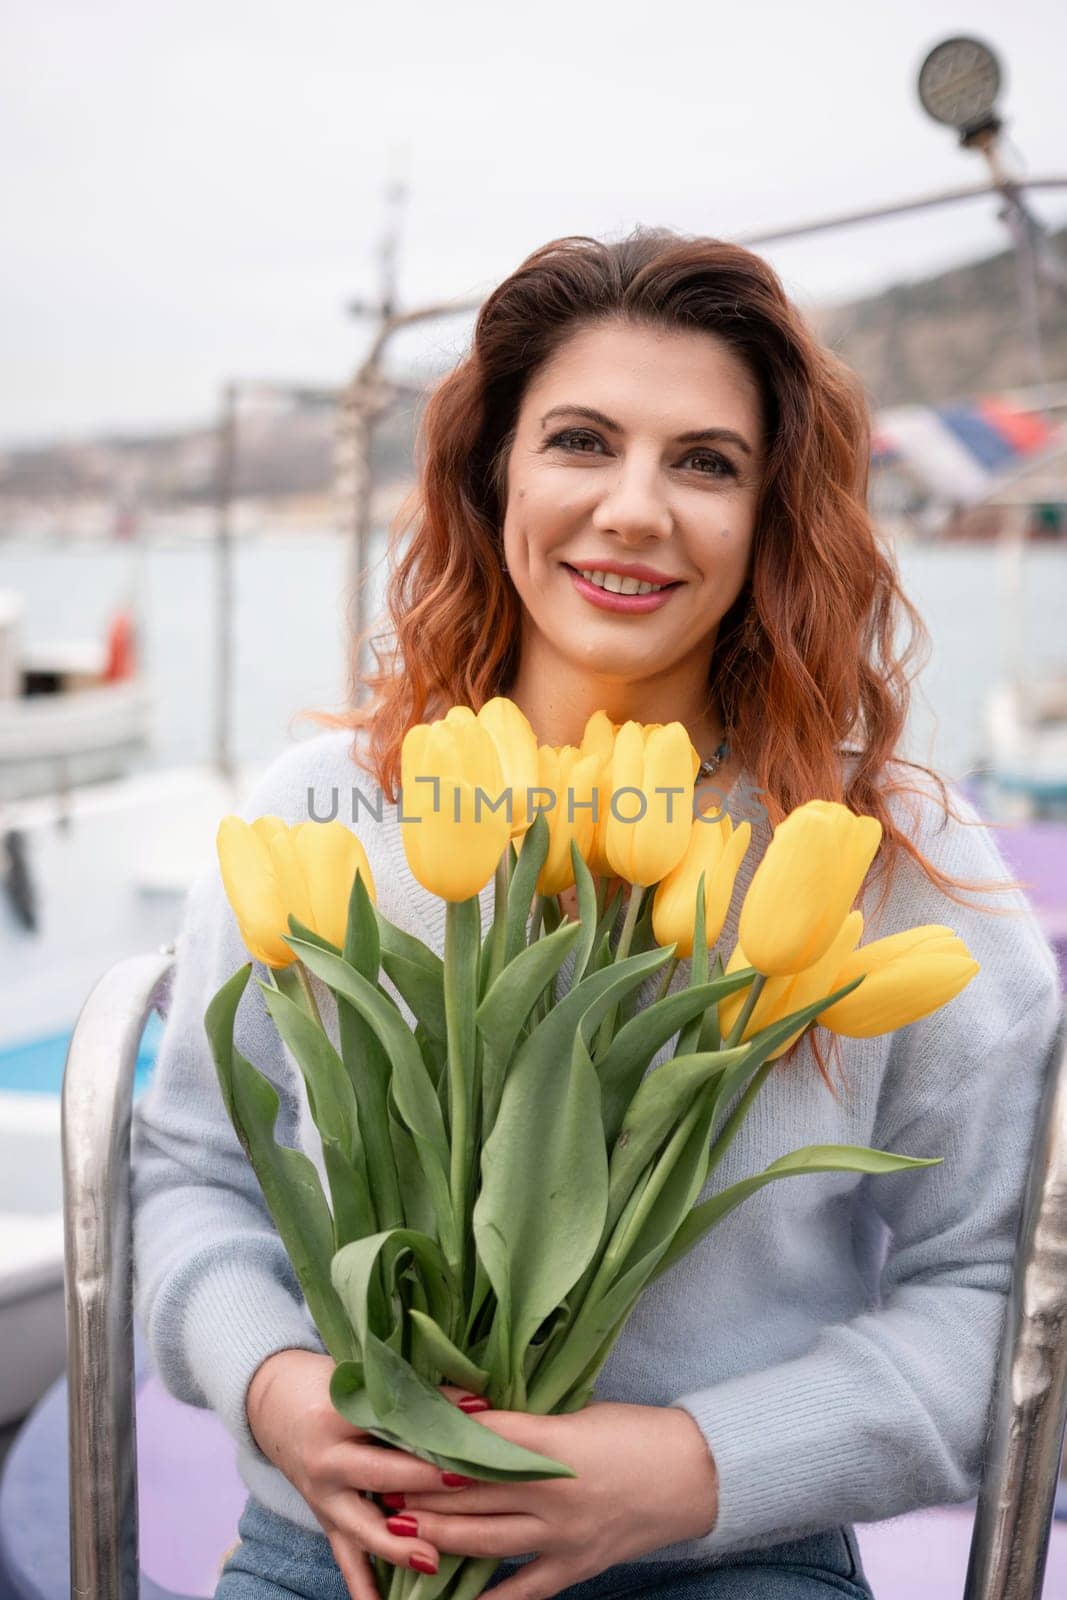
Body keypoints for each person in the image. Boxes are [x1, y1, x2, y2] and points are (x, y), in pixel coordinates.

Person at [131, 227, 1064, 1600]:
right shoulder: (324, 808)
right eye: (580, 442)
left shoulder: (886, 859)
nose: (636, 509)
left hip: (727, 1553)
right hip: (350, 1543)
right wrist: (280, 1391)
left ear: (772, 514)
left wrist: (688, 1466)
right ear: (492, 469)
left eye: (706, 462)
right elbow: (195, 1176)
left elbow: (1011, 1300)